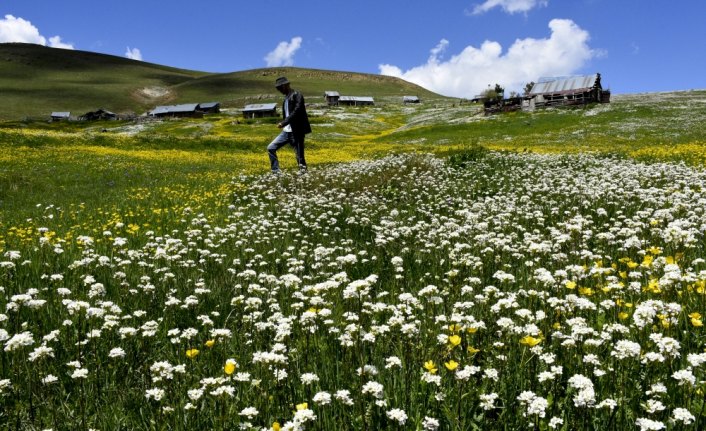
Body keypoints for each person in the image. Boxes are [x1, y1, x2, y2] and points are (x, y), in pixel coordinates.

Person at [267, 76, 312, 174]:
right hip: (286, 131)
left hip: (297, 130)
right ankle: (276, 171)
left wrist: (284, 122)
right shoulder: (285, 99)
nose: (279, 90)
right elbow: (288, 114)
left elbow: (297, 111)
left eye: (280, 88)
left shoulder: (297, 95)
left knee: (299, 156)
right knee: (271, 147)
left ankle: (303, 175)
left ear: (286, 85)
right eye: (278, 88)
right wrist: (284, 123)